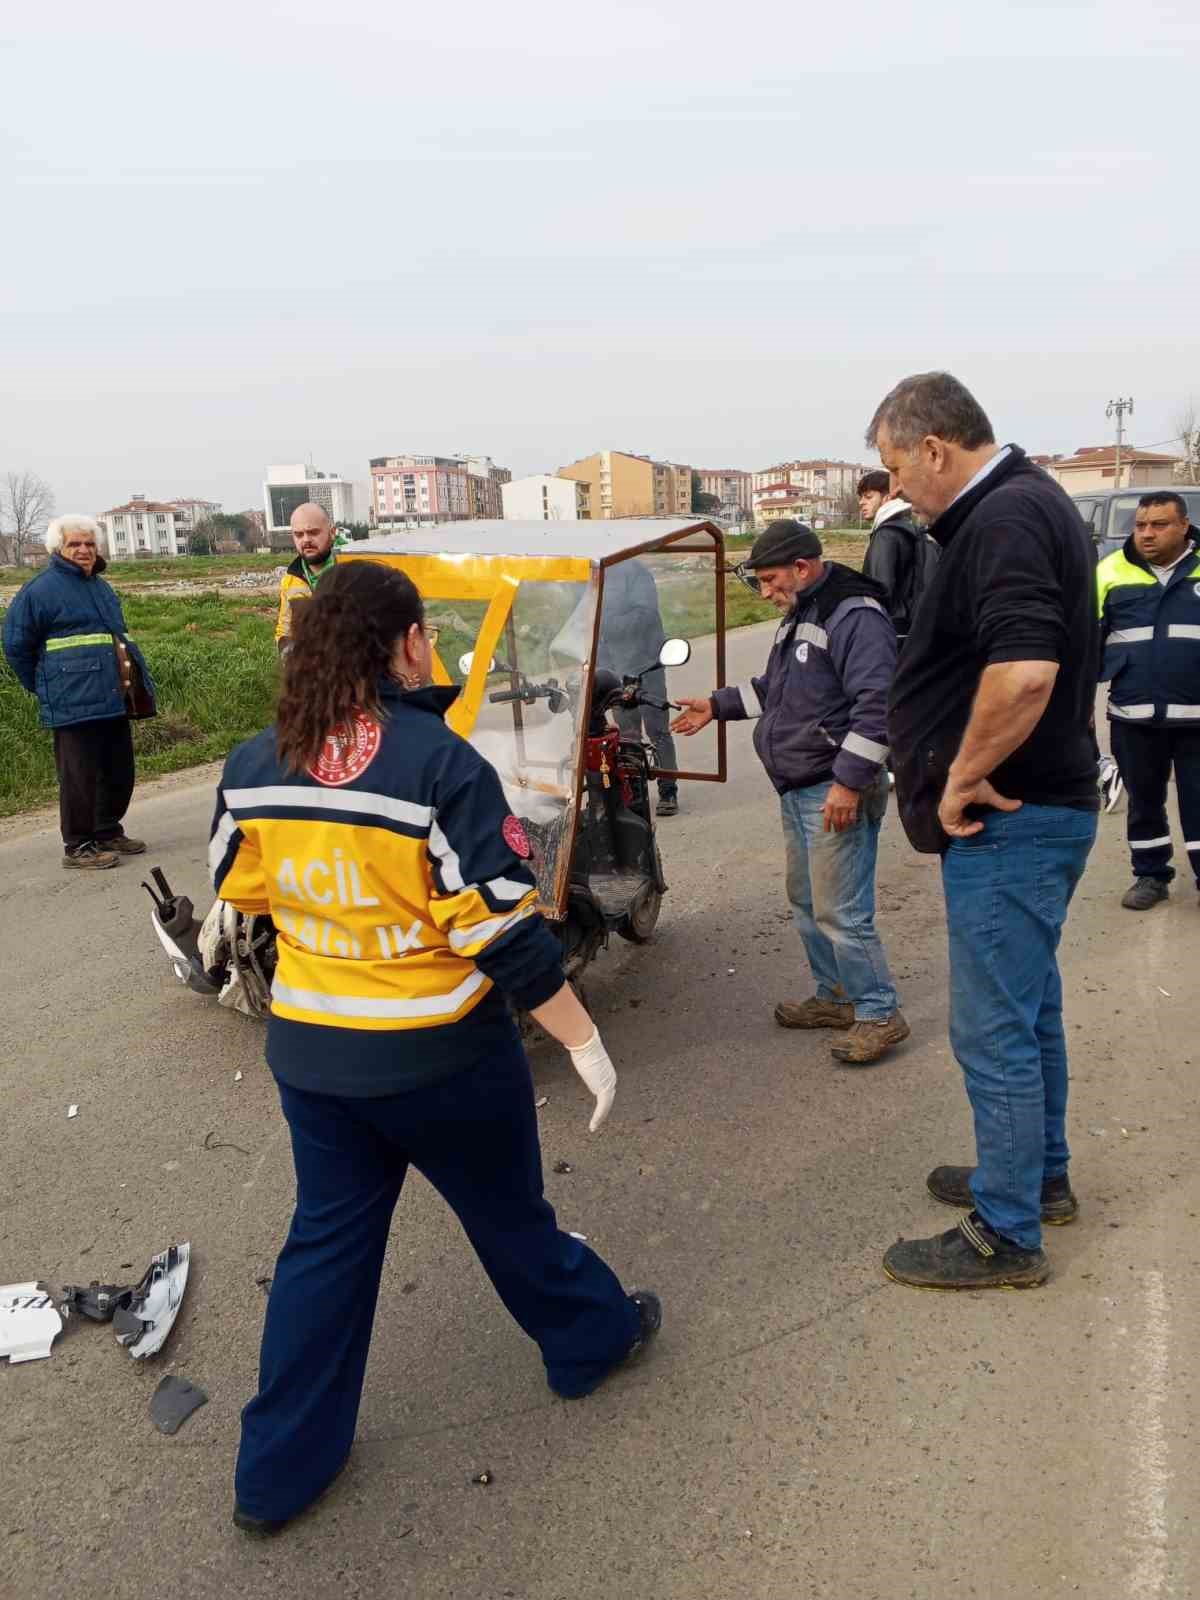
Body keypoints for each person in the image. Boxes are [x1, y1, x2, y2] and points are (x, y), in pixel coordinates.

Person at [213, 559, 660, 1536]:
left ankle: (276, 1473)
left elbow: (239, 888)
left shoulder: (257, 761)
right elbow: (499, 929)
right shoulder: (439, 761)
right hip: (441, 1058)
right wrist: (584, 1042)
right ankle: (591, 1339)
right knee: (510, 1220)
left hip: (314, 1058)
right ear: (405, 644)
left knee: (323, 1251)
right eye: (424, 635)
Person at [869, 371, 1099, 1291]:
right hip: (1043, 813)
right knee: (1030, 1012)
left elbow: (1026, 671)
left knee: (994, 1031)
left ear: (934, 448)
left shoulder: (1003, 519)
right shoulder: (1021, 505)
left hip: (1014, 820)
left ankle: (1007, 1233)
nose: (893, 489)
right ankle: (1035, 1177)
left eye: (895, 467)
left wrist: (960, 777)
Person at [671, 519, 908, 1066]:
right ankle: (836, 998)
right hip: (800, 789)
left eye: (772, 581)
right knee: (808, 904)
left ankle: (879, 1013)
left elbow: (879, 709)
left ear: (803, 568)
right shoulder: (801, 614)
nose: (766, 592)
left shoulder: (854, 616)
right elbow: (778, 689)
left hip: (832, 788)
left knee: (842, 910)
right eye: (759, 583)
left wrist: (849, 783)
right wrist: (717, 705)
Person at [2, 515, 155, 869]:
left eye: (89, 544)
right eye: (75, 544)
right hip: (71, 702)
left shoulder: (100, 586)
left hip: (112, 697)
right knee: (78, 777)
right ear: (59, 548)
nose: (84, 550)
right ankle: (79, 845)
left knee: (119, 770)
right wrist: (45, 687)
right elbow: (16, 648)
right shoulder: (39, 591)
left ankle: (107, 830)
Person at [1096, 489, 1200, 909]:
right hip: (1133, 715)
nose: (1146, 534)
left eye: (1159, 525)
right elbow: (1087, 642)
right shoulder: (1110, 571)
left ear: (1184, 526)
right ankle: (1151, 875)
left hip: (1197, 718)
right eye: (1140, 525)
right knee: (1144, 802)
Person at [597, 558, 681, 816]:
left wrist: (603, 625)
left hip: (647, 664)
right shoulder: (597, 571)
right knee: (627, 733)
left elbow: (645, 614)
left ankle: (668, 789)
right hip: (616, 667)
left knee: (658, 730)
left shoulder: (636, 572)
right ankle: (634, 791)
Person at [857, 469, 939, 645]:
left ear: (888, 497)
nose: (861, 503)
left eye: (868, 497)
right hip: (914, 629)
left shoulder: (886, 535)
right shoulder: (912, 530)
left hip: (891, 633)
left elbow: (880, 590)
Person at [274, 502, 339, 652]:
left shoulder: (351, 573)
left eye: (313, 532)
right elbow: (284, 631)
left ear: (332, 532)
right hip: (310, 669)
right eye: (299, 534)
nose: (306, 540)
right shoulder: (290, 581)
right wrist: (289, 655)